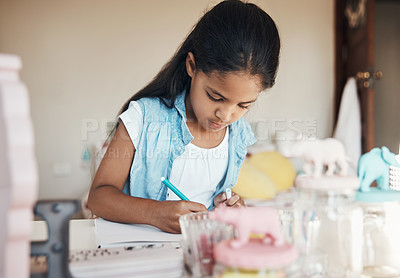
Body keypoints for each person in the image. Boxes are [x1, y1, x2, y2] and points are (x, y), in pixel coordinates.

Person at [87, 0, 280, 234]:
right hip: (143, 254)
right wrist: (154, 213)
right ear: (192, 66)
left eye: (244, 105)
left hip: (201, 253)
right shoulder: (144, 117)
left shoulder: (236, 132)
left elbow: (213, 197)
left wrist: (228, 205)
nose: (226, 115)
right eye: (215, 97)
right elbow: (99, 197)